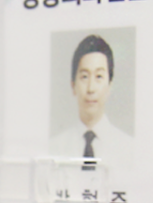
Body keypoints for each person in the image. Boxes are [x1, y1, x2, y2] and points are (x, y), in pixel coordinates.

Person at [49, 34, 134, 171]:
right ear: (73, 85)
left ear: (110, 86)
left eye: (99, 76)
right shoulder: (54, 148)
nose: (91, 88)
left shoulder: (129, 149)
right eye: (84, 77)